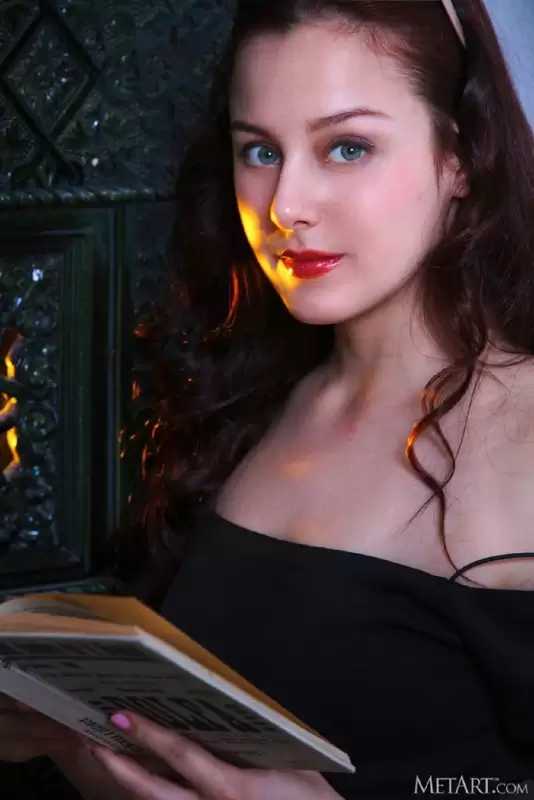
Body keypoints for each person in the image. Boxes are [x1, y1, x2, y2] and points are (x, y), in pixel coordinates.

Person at [2, 0, 534, 797]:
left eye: (347, 148)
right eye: (260, 151)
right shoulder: (257, 397)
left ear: (459, 157)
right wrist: (74, 740)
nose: (285, 207)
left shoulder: (523, 440)